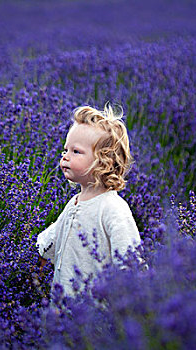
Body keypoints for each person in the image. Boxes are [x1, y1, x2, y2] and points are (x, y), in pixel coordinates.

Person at [36, 103, 141, 297]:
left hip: (95, 313)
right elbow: (54, 237)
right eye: (65, 150)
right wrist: (40, 259)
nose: (65, 157)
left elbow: (129, 261)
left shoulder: (113, 209)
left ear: (104, 161)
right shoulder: (74, 203)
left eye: (75, 152)